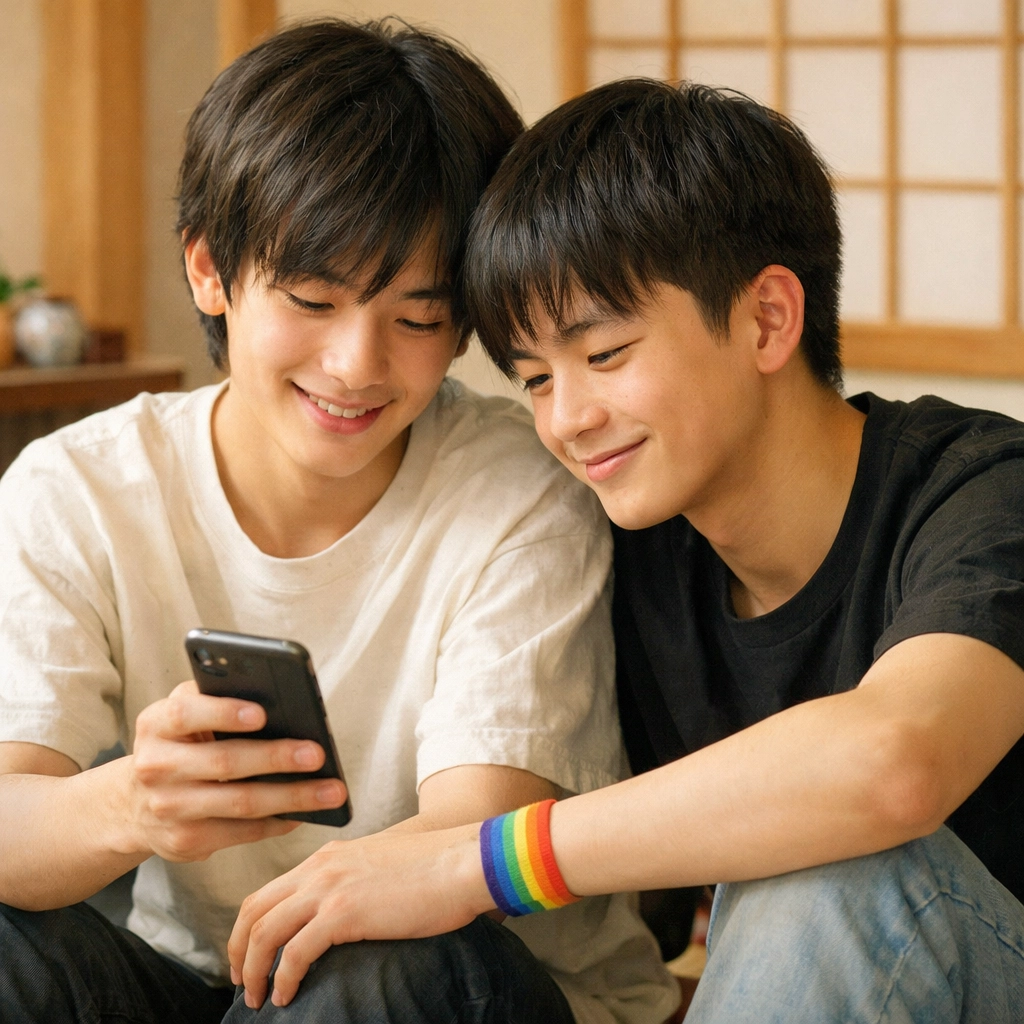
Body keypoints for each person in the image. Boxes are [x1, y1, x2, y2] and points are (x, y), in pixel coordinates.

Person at [225, 79, 1024, 1022]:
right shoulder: (627, 546)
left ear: (768, 317)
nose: (567, 420)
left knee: (830, 868)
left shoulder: (983, 492)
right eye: (533, 378)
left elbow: (896, 763)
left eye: (604, 355)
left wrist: (478, 861)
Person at [0, 28, 680, 1024]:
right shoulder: (81, 485)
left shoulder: (516, 486)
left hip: (457, 977)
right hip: (203, 979)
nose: (358, 364)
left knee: (378, 964)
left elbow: (467, 830)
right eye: (313, 299)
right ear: (209, 272)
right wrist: (130, 804)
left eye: (417, 317)